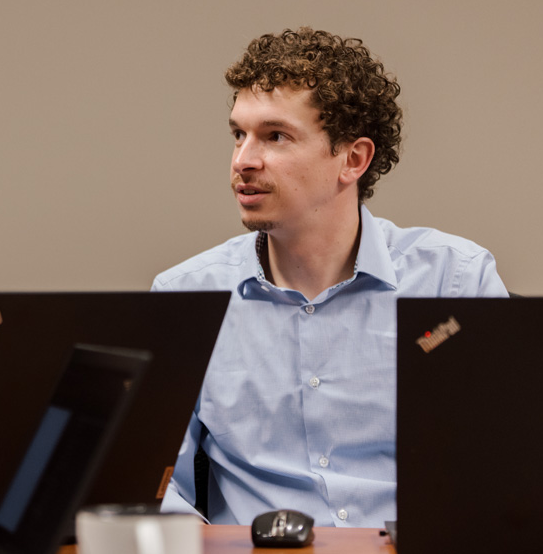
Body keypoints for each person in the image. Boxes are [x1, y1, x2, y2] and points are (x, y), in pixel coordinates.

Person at [153, 27, 507, 528]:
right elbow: (157, 495)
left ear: (353, 159)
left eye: (275, 136)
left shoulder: (455, 280)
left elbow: (508, 471)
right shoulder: (185, 296)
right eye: (239, 134)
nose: (242, 161)